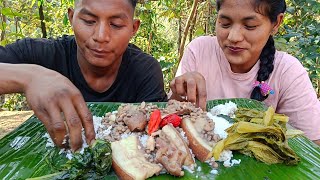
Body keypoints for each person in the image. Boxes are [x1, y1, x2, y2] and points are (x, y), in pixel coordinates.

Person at [0, 0, 167, 151]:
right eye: (89, 21)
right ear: (71, 17)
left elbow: (155, 138)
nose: (101, 37)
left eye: (116, 24)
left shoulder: (145, 71)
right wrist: (29, 77)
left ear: (133, 28)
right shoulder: (41, 54)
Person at [170, 0, 320, 145]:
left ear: (276, 23)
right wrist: (179, 92)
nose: (234, 37)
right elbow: (171, 121)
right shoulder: (199, 52)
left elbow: (311, 147)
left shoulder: (288, 72)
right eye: (225, 24)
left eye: (250, 26)